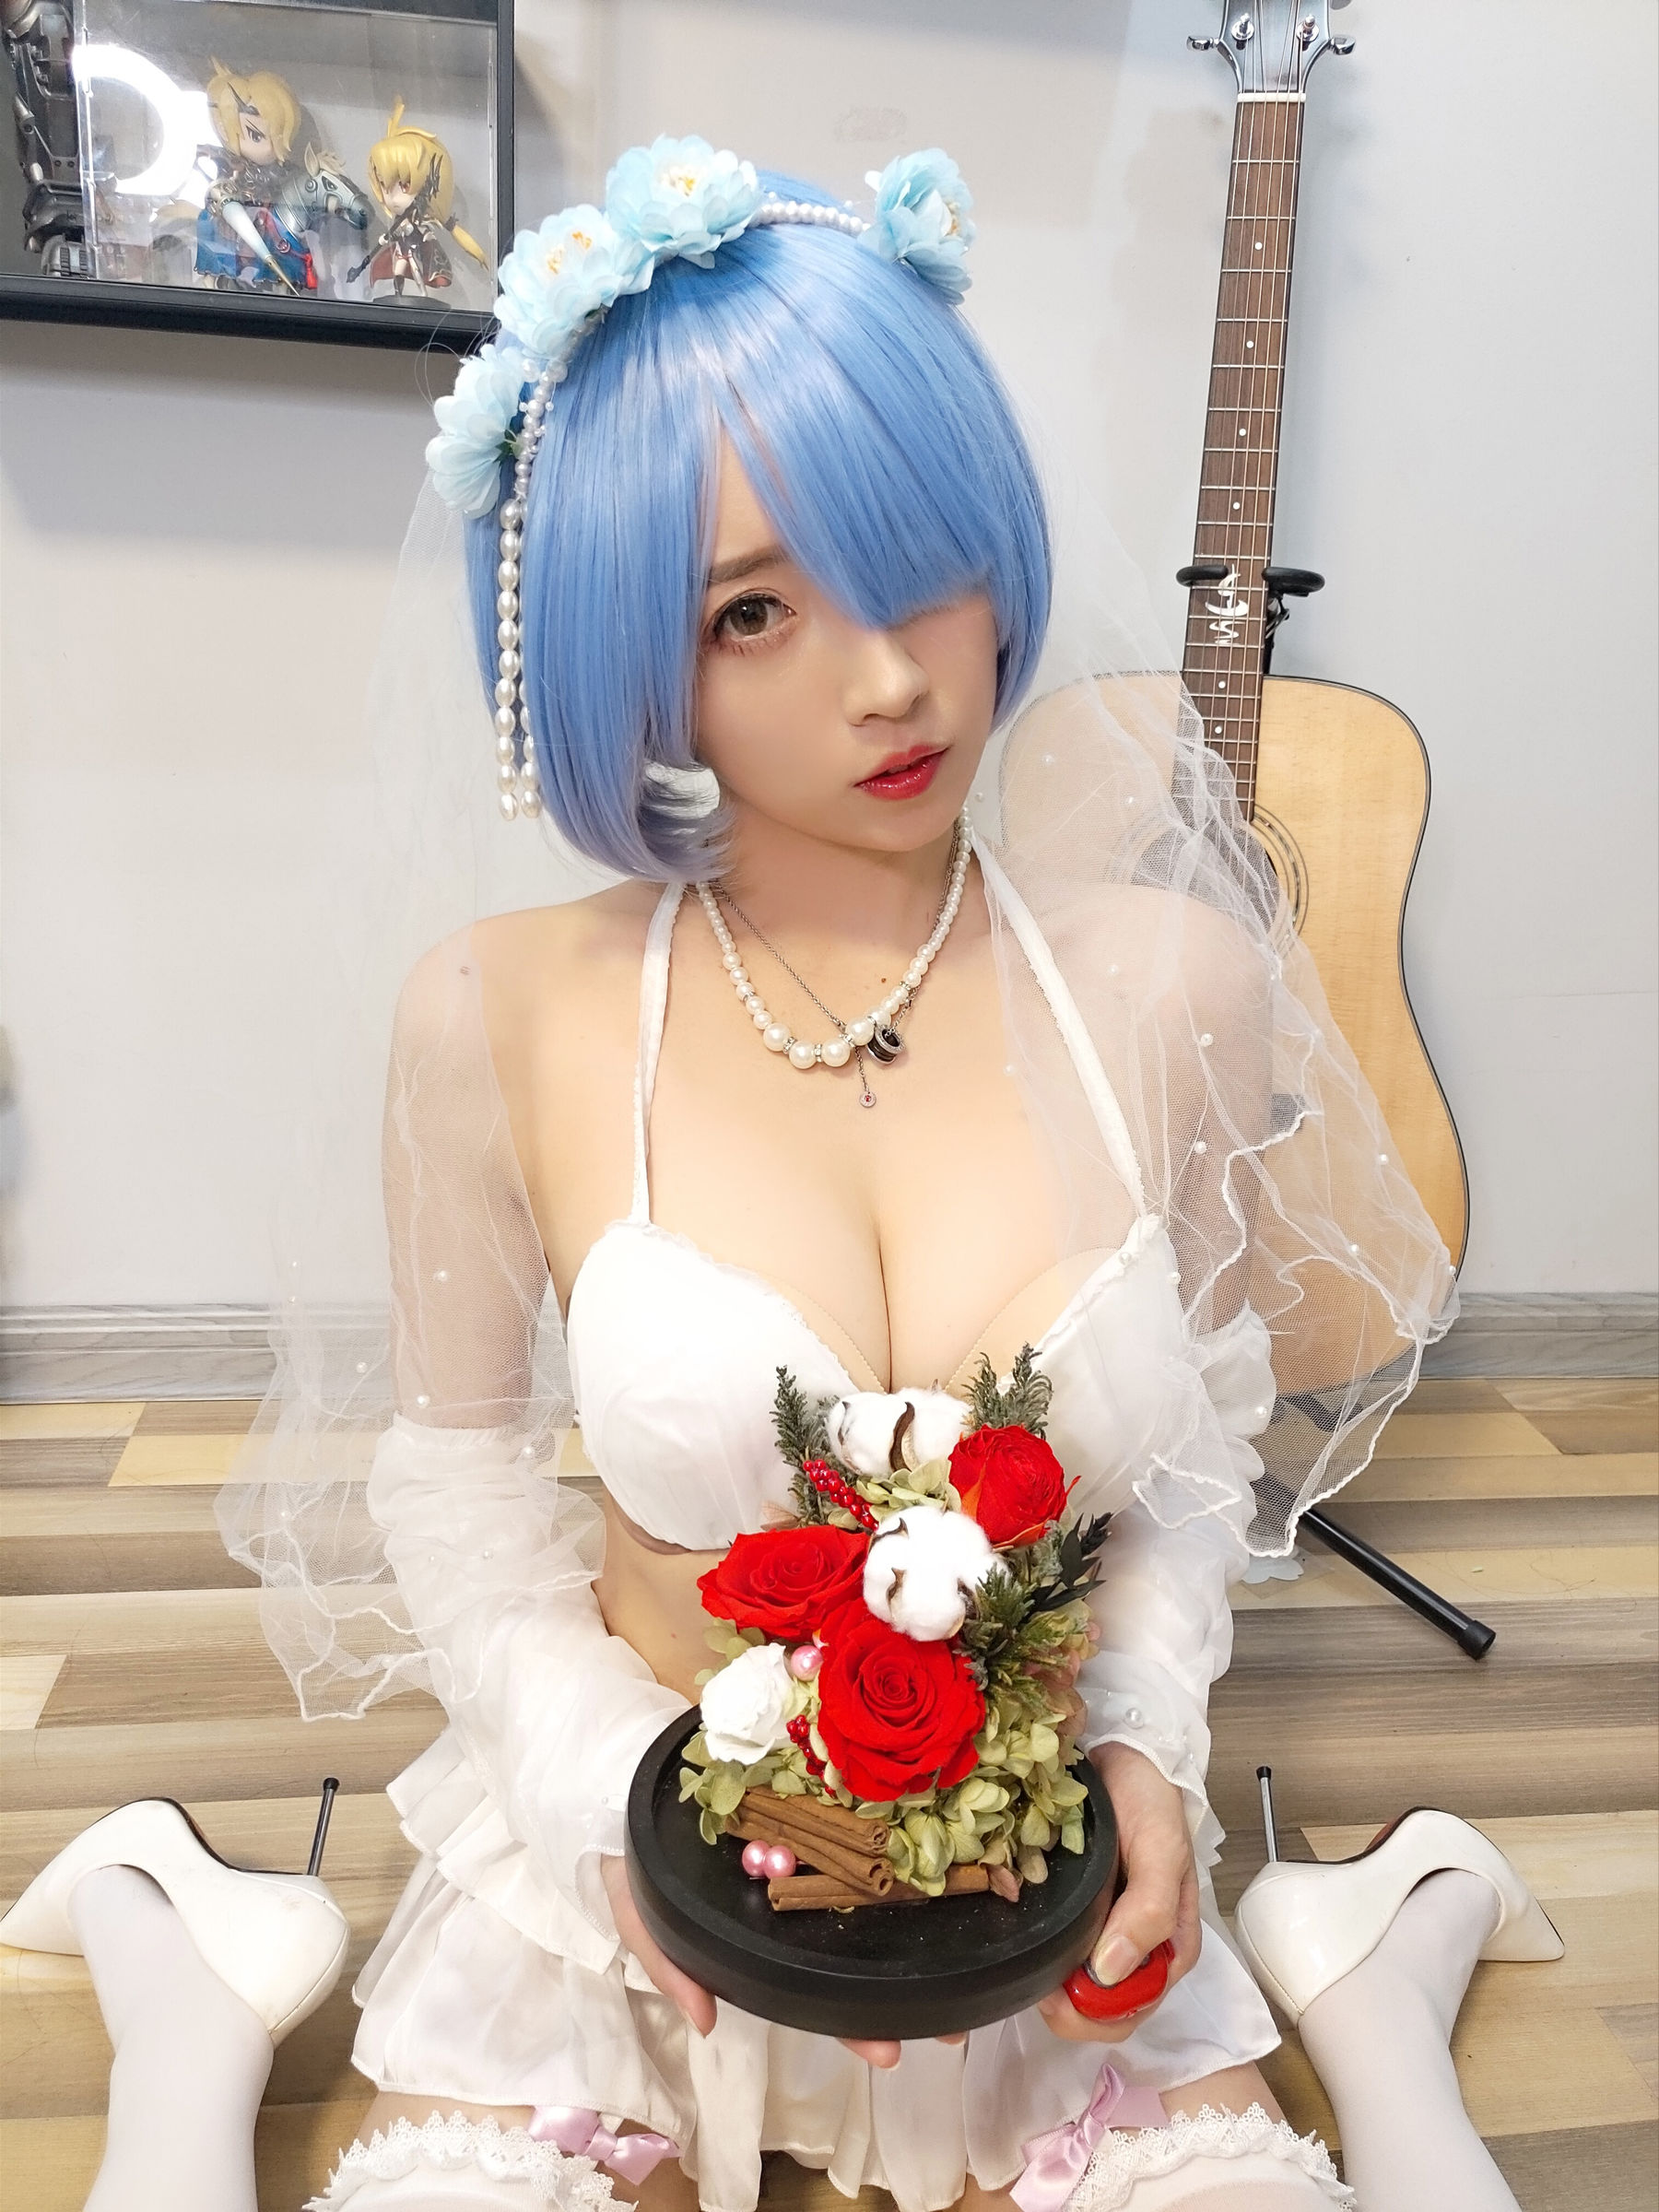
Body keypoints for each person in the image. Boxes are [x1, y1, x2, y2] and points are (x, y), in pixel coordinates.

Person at [0, 139, 1559, 2212]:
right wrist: (598, 1801)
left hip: (1037, 1885)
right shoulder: (498, 1011)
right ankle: (188, 1992)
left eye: (917, 562)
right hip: (627, 1875)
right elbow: (455, 1485)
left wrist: (1143, 1750)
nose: (890, 677)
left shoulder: (1176, 984)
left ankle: (1373, 1980)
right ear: (633, 654)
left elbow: (1189, 1456)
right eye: (755, 612)